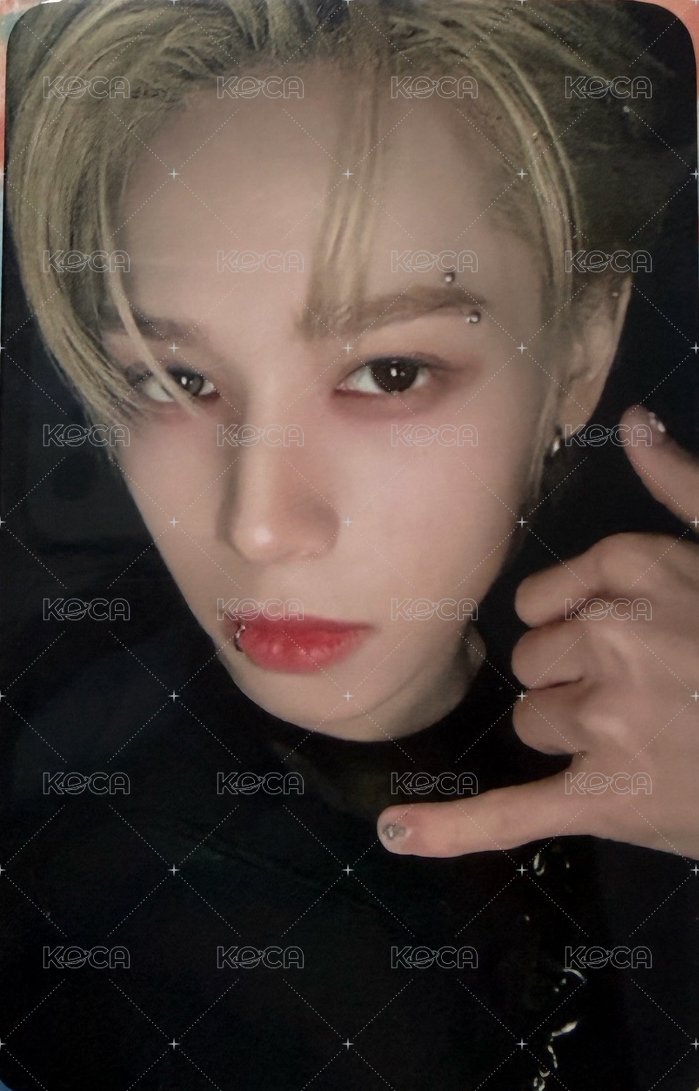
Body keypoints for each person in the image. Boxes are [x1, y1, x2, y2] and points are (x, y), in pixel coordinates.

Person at [1, 0, 697, 1087]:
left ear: (579, 351)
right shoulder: (72, 847)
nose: (257, 524)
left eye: (390, 372)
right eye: (174, 378)